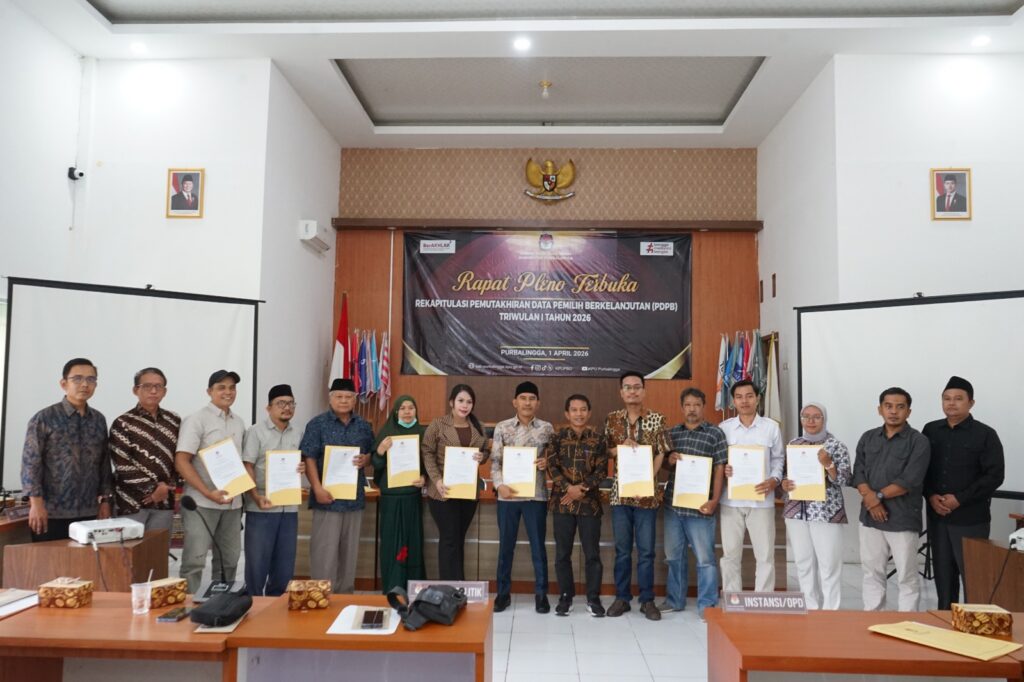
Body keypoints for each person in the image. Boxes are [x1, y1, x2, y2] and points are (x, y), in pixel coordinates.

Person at [923, 376, 1004, 609]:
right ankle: (945, 621)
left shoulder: (985, 434)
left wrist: (959, 499)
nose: (951, 403)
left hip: (971, 519)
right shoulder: (931, 430)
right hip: (938, 517)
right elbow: (922, 469)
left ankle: (972, 624)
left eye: (958, 399)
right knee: (943, 578)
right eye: (946, 398)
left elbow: (994, 476)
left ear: (971, 403)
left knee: (973, 578)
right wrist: (930, 496)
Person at [852, 387, 931, 612]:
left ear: (909, 411)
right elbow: (859, 473)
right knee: (872, 573)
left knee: (907, 577)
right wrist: (871, 500)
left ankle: (907, 623)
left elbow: (910, 480)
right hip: (870, 518)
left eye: (900, 407)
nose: (893, 411)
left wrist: (876, 498)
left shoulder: (919, 441)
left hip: (902, 519)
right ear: (880, 409)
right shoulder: (868, 437)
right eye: (888, 406)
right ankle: (873, 619)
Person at [21, 357, 113, 542]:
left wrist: (105, 501)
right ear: (64, 384)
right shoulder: (44, 418)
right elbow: (31, 463)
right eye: (77, 378)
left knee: (87, 561)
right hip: (51, 512)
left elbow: (104, 464)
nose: (85, 384)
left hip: (89, 512)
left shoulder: (98, 420)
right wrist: (36, 505)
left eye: (91, 379)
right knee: (50, 560)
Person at [604, 371, 670, 621]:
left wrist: (649, 478)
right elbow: (605, 451)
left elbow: (662, 452)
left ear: (644, 391)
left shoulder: (658, 418)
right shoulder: (612, 419)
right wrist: (619, 448)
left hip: (646, 497)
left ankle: (647, 600)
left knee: (646, 551)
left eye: (637, 387)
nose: (632, 391)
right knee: (622, 550)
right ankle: (622, 598)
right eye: (627, 387)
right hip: (620, 496)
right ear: (621, 392)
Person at [175, 369, 246, 594]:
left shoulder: (238, 422)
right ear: (209, 391)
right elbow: (182, 461)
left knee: (229, 561)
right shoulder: (196, 419)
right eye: (221, 387)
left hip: (232, 504)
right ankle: (189, 608)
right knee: (194, 561)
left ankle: (221, 605)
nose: (228, 392)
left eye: (232, 387)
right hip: (202, 503)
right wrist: (207, 492)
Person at [301, 378, 374, 594]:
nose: (343, 401)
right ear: (330, 398)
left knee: (349, 555)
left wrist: (366, 460)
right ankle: (321, 597)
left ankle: (344, 599)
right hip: (327, 499)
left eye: (348, 397)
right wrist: (317, 488)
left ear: (355, 400)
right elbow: (308, 457)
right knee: (324, 553)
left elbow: (371, 453)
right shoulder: (317, 424)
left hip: (353, 500)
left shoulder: (363, 426)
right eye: (339, 396)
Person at [661, 387, 726, 620]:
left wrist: (715, 500)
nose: (692, 409)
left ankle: (707, 604)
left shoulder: (715, 434)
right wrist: (669, 460)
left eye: (696, 405)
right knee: (673, 556)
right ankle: (675, 600)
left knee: (705, 559)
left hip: (701, 507)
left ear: (703, 406)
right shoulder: (672, 433)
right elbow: (664, 466)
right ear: (682, 407)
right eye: (688, 405)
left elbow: (719, 468)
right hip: (673, 505)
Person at [780, 402, 852, 610]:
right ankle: (810, 607)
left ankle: (830, 610)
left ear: (824, 419)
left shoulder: (836, 446)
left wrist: (829, 464)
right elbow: (786, 475)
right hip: (796, 512)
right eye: (806, 416)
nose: (810, 421)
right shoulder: (794, 444)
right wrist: (785, 483)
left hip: (826, 513)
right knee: (803, 563)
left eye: (816, 417)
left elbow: (845, 480)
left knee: (829, 564)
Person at [491, 381, 555, 614]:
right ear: (515, 402)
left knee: (538, 548)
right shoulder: (502, 427)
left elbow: (555, 459)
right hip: (508, 497)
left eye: (532, 398)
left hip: (535, 497)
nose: (527, 402)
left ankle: (541, 595)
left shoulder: (547, 428)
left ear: (538, 403)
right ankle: (503, 594)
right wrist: (499, 485)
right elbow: (495, 461)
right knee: (505, 548)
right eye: (523, 398)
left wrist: (547, 463)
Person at [545, 394, 609, 617]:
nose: (579, 414)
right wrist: (569, 489)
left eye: (583, 409)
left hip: (589, 504)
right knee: (563, 554)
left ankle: (593, 598)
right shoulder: (556, 438)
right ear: (567, 413)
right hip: (562, 504)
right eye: (574, 410)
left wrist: (582, 489)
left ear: (589, 413)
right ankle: (566, 596)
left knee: (592, 554)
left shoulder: (599, 439)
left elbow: (602, 471)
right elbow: (552, 467)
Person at [241, 384, 306, 596]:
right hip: (262, 506)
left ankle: (276, 607)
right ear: (268, 408)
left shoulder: (298, 433)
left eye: (291, 403)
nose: (287, 407)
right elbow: (248, 466)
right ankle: (252, 605)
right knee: (257, 563)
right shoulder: (255, 432)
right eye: (281, 403)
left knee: (284, 565)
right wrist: (255, 497)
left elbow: (301, 462)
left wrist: (302, 467)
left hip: (289, 507)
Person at [720, 380, 784, 593]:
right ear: (733, 401)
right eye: (739, 397)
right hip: (731, 501)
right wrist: (724, 469)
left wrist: (774, 479)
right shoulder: (724, 428)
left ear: (758, 398)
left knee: (765, 555)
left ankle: (763, 600)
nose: (744, 401)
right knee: (730, 555)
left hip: (761, 501)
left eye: (749, 396)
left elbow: (778, 459)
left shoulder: (771, 427)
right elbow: (719, 460)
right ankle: (732, 599)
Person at [421, 384, 489, 581]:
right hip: (443, 491)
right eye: (460, 401)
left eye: (469, 402)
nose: (464, 405)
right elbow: (427, 452)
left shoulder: (478, 426)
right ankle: (448, 586)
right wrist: (437, 480)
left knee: (459, 539)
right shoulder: (438, 424)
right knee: (449, 538)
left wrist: (482, 456)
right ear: (451, 402)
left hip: (468, 492)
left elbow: (485, 451)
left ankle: (459, 585)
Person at [109, 367, 181, 533]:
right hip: (131, 503)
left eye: (158, 386)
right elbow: (122, 465)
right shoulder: (123, 423)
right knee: (130, 549)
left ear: (165, 391)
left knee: (158, 548)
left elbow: (180, 458)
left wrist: (166, 488)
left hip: (164, 503)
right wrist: (153, 489)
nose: (154, 391)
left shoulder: (174, 421)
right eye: (147, 386)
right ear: (136, 390)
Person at [371, 395, 427, 593]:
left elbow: (428, 463)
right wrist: (380, 450)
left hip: (412, 497)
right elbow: (376, 465)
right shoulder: (387, 432)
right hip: (391, 499)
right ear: (396, 412)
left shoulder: (422, 433)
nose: (407, 412)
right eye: (402, 408)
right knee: (392, 544)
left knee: (413, 543)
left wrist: (424, 477)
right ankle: (392, 587)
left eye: (411, 407)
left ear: (416, 410)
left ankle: (414, 589)